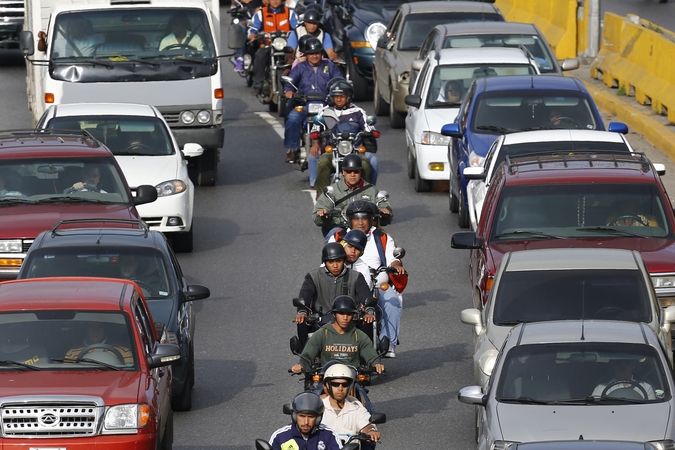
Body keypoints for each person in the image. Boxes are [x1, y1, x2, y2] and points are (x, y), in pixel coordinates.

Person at [328, 201, 404, 358]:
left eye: (364, 218)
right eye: (356, 218)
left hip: (376, 283)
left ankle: (387, 343)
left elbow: (392, 258)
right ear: (349, 220)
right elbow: (327, 260)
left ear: (372, 219)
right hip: (342, 281)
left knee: (391, 299)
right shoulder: (337, 237)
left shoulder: (382, 238)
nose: (360, 222)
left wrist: (396, 264)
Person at [295, 243, 373, 347]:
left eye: (338, 261)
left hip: (350, 320)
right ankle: (306, 357)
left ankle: (367, 359)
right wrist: (302, 311)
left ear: (344, 260)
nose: (335, 265)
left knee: (368, 321)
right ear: (325, 262)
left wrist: (369, 311)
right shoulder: (313, 277)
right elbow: (305, 296)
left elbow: (366, 296)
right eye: (331, 262)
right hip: (321, 321)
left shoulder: (356, 276)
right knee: (301, 321)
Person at [282, 38, 343, 166]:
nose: (315, 56)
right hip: (304, 105)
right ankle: (292, 149)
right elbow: (290, 82)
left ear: (321, 53)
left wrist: (339, 92)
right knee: (292, 118)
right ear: (306, 54)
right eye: (311, 53)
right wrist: (289, 91)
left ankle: (339, 150)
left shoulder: (329, 66)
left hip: (326, 106)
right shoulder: (300, 67)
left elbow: (340, 82)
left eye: (317, 53)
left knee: (339, 121)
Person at [313, 80, 379, 193]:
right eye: (336, 96)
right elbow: (316, 127)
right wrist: (316, 134)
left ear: (348, 96)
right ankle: (321, 194)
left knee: (365, 164)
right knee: (323, 162)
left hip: (355, 151)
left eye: (342, 96)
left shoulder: (358, 112)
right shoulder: (325, 112)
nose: (338, 99)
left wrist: (371, 132)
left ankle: (367, 193)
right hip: (332, 151)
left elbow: (368, 126)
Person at [291, 295, 384, 374]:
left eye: (349, 314)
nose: (345, 318)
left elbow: (370, 354)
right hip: (327, 377)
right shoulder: (322, 333)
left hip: (352, 379)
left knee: (363, 394)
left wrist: (376, 364)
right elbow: (308, 354)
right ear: (334, 314)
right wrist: (301, 365)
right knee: (314, 393)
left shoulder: (359, 336)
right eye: (341, 313)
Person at [313, 154, 392, 237]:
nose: (352, 174)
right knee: (332, 240)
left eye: (356, 171)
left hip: (367, 230)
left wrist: (384, 213)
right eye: (349, 171)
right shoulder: (332, 191)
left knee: (385, 241)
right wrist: (323, 214)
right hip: (341, 229)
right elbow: (317, 218)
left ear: (360, 172)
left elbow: (385, 213)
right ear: (343, 172)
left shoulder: (372, 190)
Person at [321, 363, 380, 449]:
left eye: (344, 385)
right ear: (327, 385)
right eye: (336, 384)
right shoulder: (317, 407)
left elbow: (366, 425)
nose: (340, 388)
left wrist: (371, 431)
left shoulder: (356, 408)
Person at [248, 0, 298, 96]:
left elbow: (297, 27)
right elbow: (254, 27)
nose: (275, 1)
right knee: (259, 56)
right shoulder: (261, 13)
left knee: (297, 58)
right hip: (268, 44)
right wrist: (252, 34)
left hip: (286, 45)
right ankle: (258, 84)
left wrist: (292, 35)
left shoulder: (290, 13)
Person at [269, 392, 342, 450]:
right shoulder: (280, 436)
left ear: (318, 418)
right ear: (294, 416)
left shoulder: (329, 435)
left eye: (311, 417)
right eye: (302, 416)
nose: (306, 422)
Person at [65, 321, 134, 365]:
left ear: (105, 329)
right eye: (92, 327)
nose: (95, 331)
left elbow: (129, 373)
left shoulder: (123, 350)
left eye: (99, 327)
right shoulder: (72, 352)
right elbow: (68, 374)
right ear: (86, 329)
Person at [591, 357, 656, 400]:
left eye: (627, 362)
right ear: (613, 366)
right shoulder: (601, 388)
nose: (623, 365)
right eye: (618, 363)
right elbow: (596, 410)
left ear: (633, 365)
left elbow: (652, 410)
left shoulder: (646, 388)